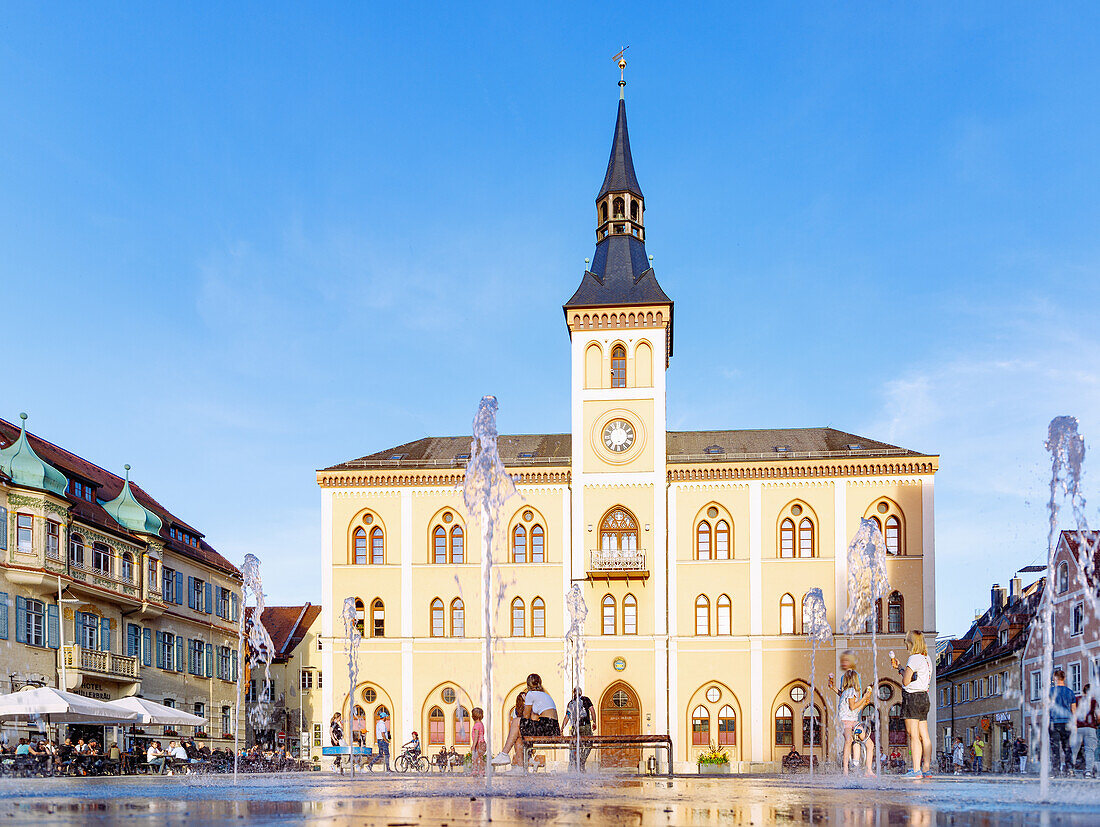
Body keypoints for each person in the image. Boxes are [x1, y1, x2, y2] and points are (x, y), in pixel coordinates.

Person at [891, 630, 934, 778]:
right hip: (924, 697)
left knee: (913, 735)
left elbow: (906, 681)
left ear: (911, 643)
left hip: (912, 698)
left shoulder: (914, 658)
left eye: (906, 641)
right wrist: (900, 668)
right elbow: (916, 678)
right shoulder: (926, 658)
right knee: (925, 735)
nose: (905, 644)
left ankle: (916, 770)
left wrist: (903, 671)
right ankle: (926, 769)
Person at [837, 669, 875, 776]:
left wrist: (864, 703)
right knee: (850, 740)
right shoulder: (851, 691)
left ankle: (867, 770)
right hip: (846, 722)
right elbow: (853, 706)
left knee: (868, 744)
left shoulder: (847, 692)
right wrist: (864, 698)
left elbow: (855, 710)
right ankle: (847, 770)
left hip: (853, 721)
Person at [1049, 668, 1077, 776]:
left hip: (1054, 723)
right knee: (1067, 747)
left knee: (1055, 748)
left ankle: (1055, 770)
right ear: (1064, 678)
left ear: (1054, 679)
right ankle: (1070, 769)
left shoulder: (1050, 692)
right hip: (1067, 723)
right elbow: (1073, 710)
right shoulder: (1070, 692)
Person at [563, 687, 596, 772]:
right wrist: (594, 722)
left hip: (575, 727)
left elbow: (567, 716)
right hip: (585, 726)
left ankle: (577, 764)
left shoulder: (570, 703)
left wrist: (562, 728)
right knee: (589, 743)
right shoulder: (586, 699)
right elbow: (592, 710)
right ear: (580, 692)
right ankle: (582, 761)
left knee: (577, 745)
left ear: (573, 693)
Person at [492, 692, 528, 769]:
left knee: (517, 738)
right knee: (518, 739)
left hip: (527, 732)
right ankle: (520, 767)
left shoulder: (520, 709)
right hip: (524, 733)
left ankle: (506, 755)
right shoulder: (519, 709)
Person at [1072, 683, 1097, 779]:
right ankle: (1088, 772)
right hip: (1090, 727)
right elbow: (1098, 715)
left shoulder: (1077, 699)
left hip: (1078, 727)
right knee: (1089, 750)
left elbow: (1073, 711)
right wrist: (1096, 723)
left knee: (1074, 750)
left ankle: (1071, 770)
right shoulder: (1094, 701)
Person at [470, 709, 486, 775]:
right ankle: (482, 770)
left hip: (478, 744)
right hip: (483, 743)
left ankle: (475, 770)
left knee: (475, 757)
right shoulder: (481, 724)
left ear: (473, 716)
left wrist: (473, 745)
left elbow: (476, 736)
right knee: (480, 758)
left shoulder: (476, 725)